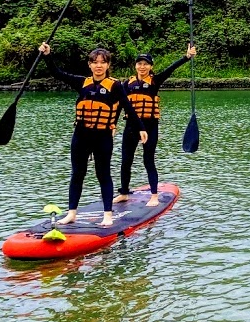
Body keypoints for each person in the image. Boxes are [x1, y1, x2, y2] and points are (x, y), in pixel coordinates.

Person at [39, 43, 145, 227]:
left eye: (102, 62)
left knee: (103, 174)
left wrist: (141, 128)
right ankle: (72, 213)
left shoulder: (115, 86)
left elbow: (129, 107)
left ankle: (108, 215)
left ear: (107, 65)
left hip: (102, 137)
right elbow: (57, 73)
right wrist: (47, 55)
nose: (98, 65)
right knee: (77, 174)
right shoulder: (82, 82)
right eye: (95, 62)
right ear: (89, 65)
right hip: (80, 136)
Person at [115, 45, 197, 208]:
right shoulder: (126, 84)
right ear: (135, 66)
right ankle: (123, 193)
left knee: (148, 160)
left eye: (145, 64)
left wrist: (186, 57)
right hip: (131, 127)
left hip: (150, 126)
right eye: (139, 63)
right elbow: (119, 105)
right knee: (126, 161)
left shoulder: (155, 81)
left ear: (151, 66)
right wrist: (112, 125)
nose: (142, 67)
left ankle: (154, 195)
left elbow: (170, 69)